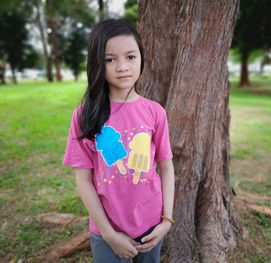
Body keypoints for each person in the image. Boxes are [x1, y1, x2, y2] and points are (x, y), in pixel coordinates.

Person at [63, 18, 175, 263]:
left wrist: (167, 221)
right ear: (96, 63)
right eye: (110, 59)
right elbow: (83, 180)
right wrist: (109, 233)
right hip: (107, 231)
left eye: (131, 57)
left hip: (151, 225)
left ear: (141, 58)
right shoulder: (84, 115)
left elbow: (166, 168)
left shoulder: (155, 112)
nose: (122, 67)